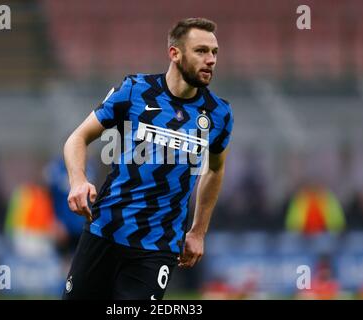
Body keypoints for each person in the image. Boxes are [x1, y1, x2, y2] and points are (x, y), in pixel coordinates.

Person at [62, 17, 234, 300]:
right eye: (201, 51)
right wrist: (78, 180)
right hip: (106, 229)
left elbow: (215, 170)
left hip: (157, 246)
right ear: (175, 54)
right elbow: (77, 138)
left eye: (214, 52)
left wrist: (198, 231)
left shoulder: (218, 114)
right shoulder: (135, 90)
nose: (211, 59)